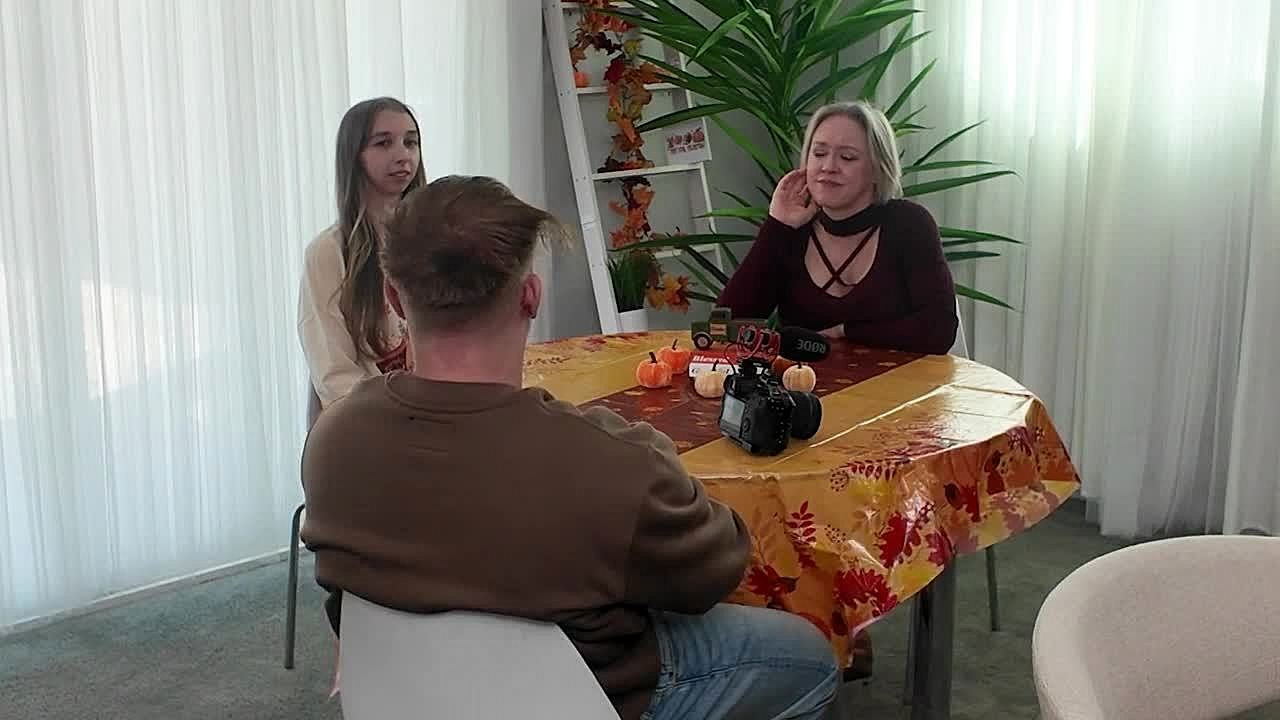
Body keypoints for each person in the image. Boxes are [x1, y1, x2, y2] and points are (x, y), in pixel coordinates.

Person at [300, 175, 840, 720]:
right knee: (810, 657)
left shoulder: (332, 440)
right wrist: (651, 458)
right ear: (531, 296)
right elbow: (714, 570)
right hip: (598, 692)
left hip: (404, 695)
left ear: (394, 297)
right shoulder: (611, 462)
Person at [717, 100, 959, 355]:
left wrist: (847, 331)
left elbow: (939, 330)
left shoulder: (909, 224)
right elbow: (724, 328)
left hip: (902, 379)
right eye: (819, 154)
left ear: (877, 169)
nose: (828, 167)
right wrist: (777, 225)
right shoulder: (791, 230)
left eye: (847, 157)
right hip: (805, 379)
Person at [297, 97, 426, 414]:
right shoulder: (327, 252)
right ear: (354, 155)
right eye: (383, 143)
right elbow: (333, 373)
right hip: (368, 422)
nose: (403, 155)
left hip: (435, 413)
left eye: (411, 142)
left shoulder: (435, 237)